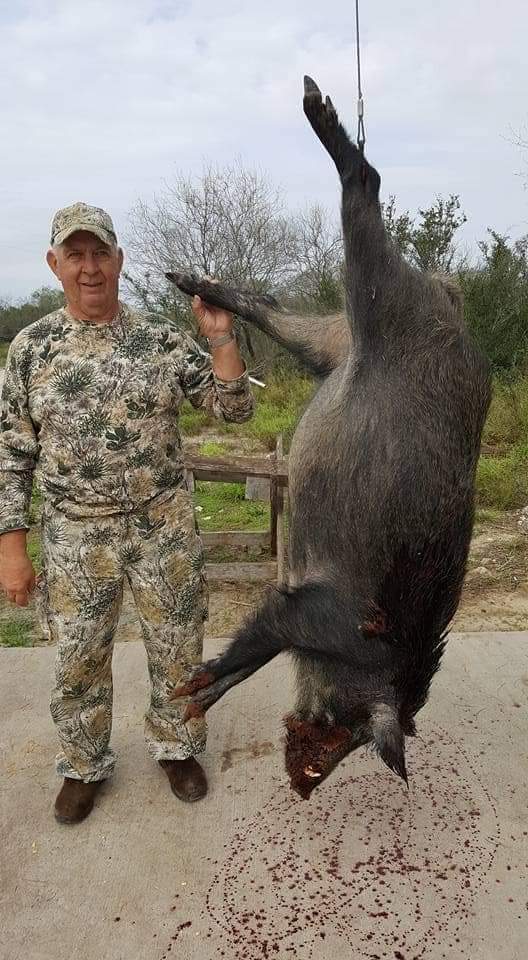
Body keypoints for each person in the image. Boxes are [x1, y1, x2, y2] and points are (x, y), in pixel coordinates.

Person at [0, 202, 254, 824]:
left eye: (100, 253)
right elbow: (10, 455)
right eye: (75, 255)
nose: (89, 268)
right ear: (54, 264)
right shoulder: (32, 349)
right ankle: (82, 763)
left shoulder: (161, 342)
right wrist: (12, 549)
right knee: (78, 657)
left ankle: (178, 747)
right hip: (75, 534)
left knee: (178, 647)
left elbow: (234, 410)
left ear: (119, 260)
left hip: (162, 527)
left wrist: (220, 336)